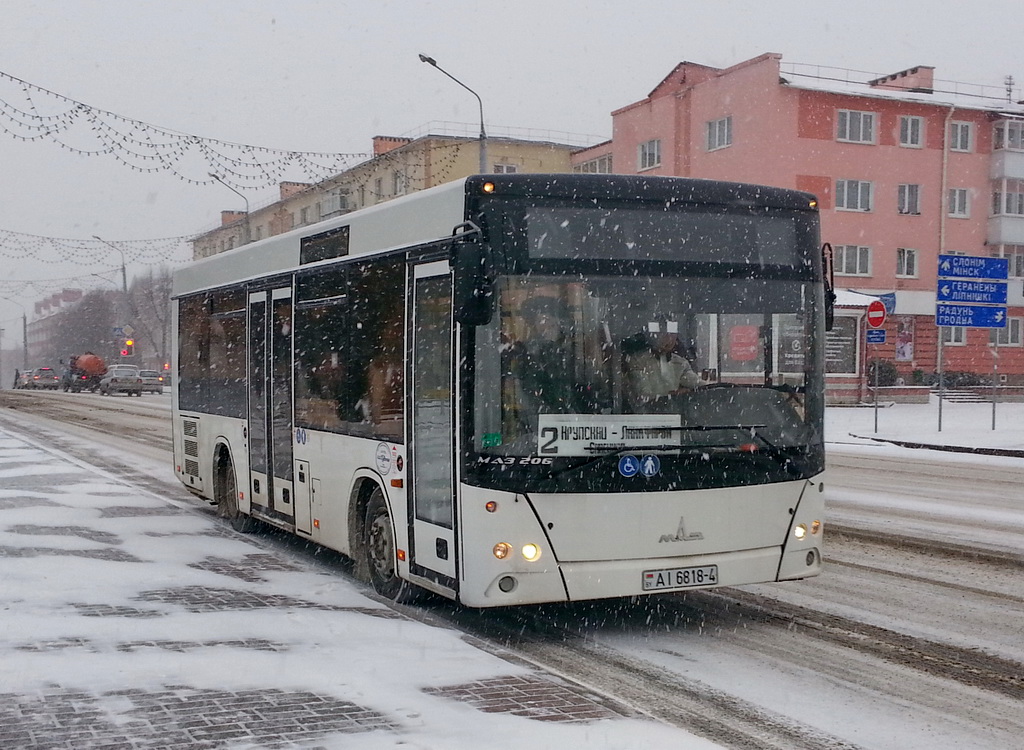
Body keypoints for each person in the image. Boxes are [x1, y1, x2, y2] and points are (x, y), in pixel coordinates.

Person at [623, 320, 701, 406]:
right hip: (647, 417)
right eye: (664, 333)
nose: (669, 338)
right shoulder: (637, 360)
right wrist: (671, 396)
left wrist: (712, 385)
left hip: (676, 416)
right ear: (653, 335)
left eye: (673, 333)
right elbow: (644, 396)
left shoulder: (680, 362)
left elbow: (696, 383)